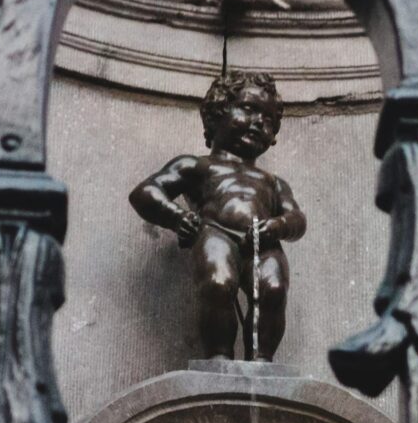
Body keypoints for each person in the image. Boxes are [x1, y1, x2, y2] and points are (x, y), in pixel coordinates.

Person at [129, 72, 306, 361]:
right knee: (217, 283)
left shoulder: (273, 182)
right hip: (215, 231)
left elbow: (297, 218)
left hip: (264, 239)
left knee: (273, 289)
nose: (259, 122)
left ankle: (262, 361)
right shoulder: (198, 166)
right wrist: (177, 218)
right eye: (248, 109)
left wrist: (278, 225)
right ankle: (219, 357)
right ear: (217, 113)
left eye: (269, 119)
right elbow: (145, 192)